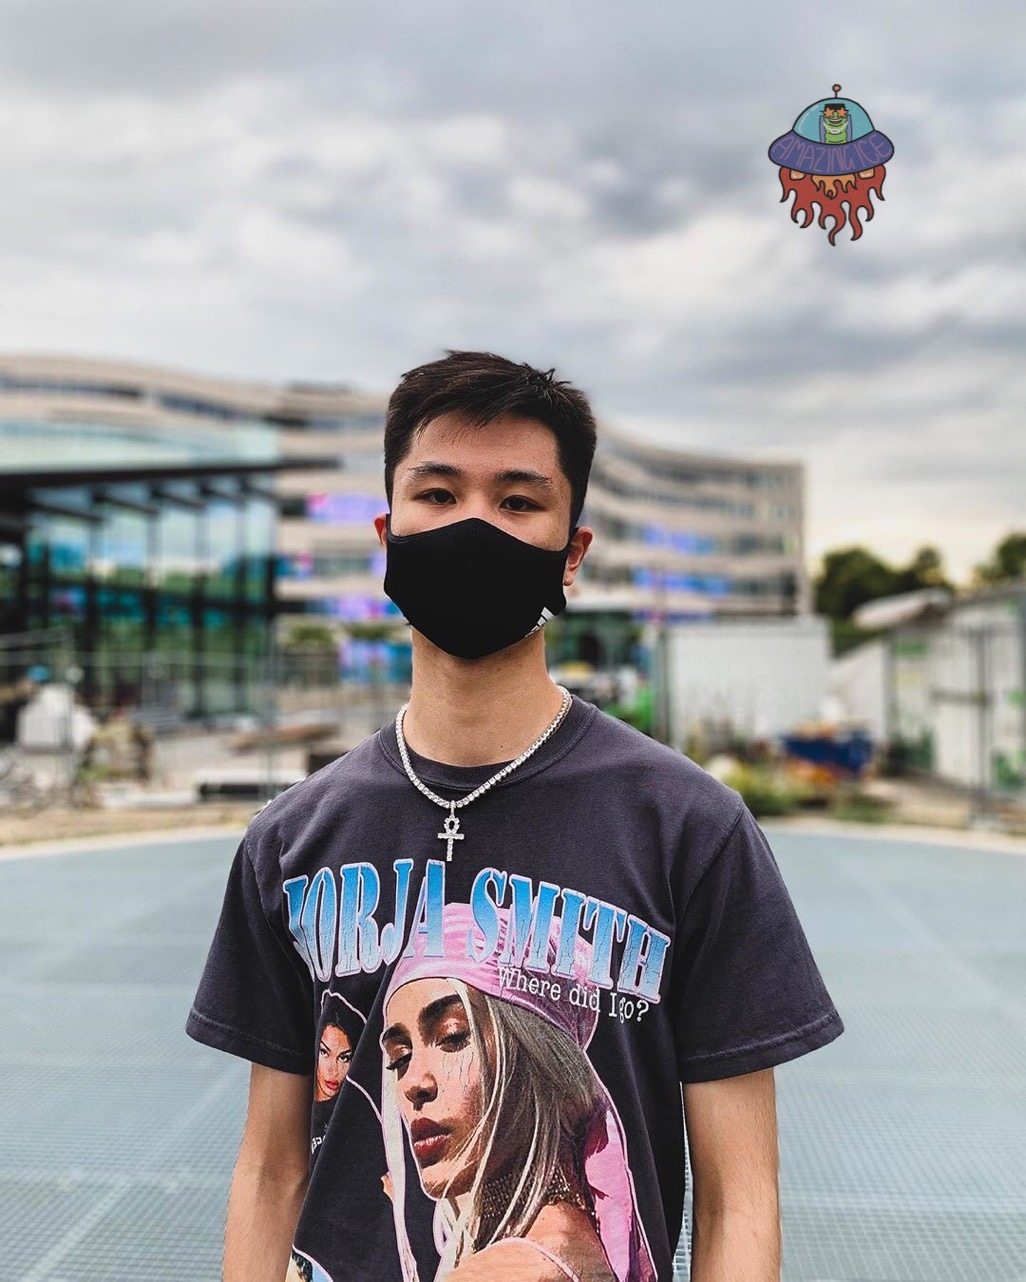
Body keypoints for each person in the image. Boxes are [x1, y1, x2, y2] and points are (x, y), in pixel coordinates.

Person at [187, 350, 844, 1282]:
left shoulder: (691, 830)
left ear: (571, 552)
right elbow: (271, 1170)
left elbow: (739, 1199)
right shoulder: (292, 839)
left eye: (518, 501)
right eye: (438, 493)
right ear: (387, 533)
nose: (473, 526)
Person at [379, 901, 654, 1281]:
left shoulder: (516, 1267)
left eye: (452, 1037)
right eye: (400, 1059)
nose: (413, 1084)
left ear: (539, 1059)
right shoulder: (564, 1239)